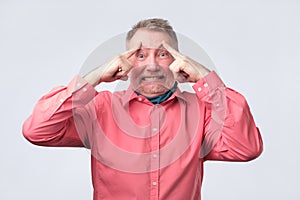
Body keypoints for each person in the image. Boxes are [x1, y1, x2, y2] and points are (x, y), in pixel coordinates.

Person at [23, 18, 263, 200]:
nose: (151, 64)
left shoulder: (202, 111)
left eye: (163, 54)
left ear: (179, 60)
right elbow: (38, 130)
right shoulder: (100, 108)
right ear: (125, 63)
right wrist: (93, 77)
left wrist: (205, 78)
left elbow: (246, 148)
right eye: (140, 55)